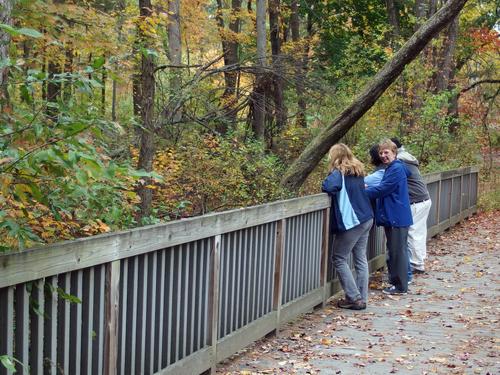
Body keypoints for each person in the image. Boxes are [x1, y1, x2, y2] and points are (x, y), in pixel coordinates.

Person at [322, 143, 373, 310]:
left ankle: (354, 298)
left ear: (334, 156)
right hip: (366, 218)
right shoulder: (357, 171)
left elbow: (329, 187)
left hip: (353, 221)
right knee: (360, 258)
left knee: (339, 258)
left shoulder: (339, 173)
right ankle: (362, 298)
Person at [366, 139, 413, 295]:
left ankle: (400, 286)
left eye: (386, 152)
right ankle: (400, 282)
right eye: (381, 153)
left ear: (394, 153)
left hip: (396, 216)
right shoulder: (393, 168)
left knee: (397, 251)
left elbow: (384, 188)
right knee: (397, 250)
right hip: (396, 215)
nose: (383, 155)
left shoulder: (396, 169)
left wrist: (360, 192)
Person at [391, 138, 432, 273]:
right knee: (419, 232)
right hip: (423, 199)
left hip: (416, 201)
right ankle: (418, 262)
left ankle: (416, 264)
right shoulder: (408, 158)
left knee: (413, 233)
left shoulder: (400, 161)